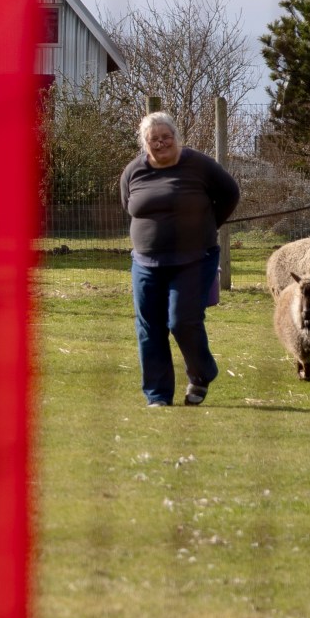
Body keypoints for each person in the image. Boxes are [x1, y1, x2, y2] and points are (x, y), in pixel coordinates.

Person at [119, 110, 240, 406]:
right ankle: (158, 396)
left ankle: (201, 373)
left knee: (182, 321)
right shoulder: (133, 171)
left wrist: (206, 227)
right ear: (144, 144)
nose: (160, 143)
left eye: (165, 137)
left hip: (194, 259)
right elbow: (129, 204)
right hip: (146, 262)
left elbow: (230, 194)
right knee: (149, 328)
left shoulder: (199, 165)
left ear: (176, 137)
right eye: (153, 139)